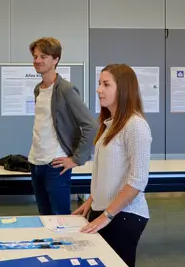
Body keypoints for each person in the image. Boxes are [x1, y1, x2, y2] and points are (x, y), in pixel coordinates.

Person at [73, 64, 152, 267]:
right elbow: (107, 171)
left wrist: (107, 215)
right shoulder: (109, 124)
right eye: (99, 83)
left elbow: (138, 180)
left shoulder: (135, 126)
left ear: (123, 89)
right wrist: (92, 200)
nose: (99, 89)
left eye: (106, 84)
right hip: (106, 210)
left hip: (124, 215)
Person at [28, 37, 96, 216]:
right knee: (44, 215)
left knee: (60, 218)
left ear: (56, 59)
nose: (37, 61)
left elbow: (91, 125)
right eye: (35, 56)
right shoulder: (38, 89)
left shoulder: (66, 89)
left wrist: (76, 159)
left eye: (43, 56)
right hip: (36, 161)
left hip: (55, 164)